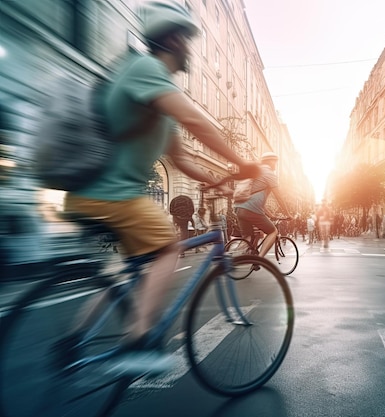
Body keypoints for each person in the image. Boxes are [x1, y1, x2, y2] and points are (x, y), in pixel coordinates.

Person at [63, 1, 260, 376]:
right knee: (169, 247)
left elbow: (183, 161)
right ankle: (136, 343)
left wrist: (216, 180)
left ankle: (72, 342)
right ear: (173, 39)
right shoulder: (147, 69)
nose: (191, 49)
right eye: (188, 39)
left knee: (128, 271)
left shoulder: (156, 99)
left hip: (102, 194)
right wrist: (241, 162)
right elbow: (193, 119)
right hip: (112, 193)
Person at [234, 152, 294, 259]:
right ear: (270, 161)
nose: (275, 165)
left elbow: (257, 201)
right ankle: (260, 259)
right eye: (275, 162)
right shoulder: (269, 174)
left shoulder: (256, 172)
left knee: (248, 237)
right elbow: (279, 197)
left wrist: (271, 215)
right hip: (251, 209)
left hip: (240, 208)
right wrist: (287, 213)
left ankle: (236, 259)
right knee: (273, 231)